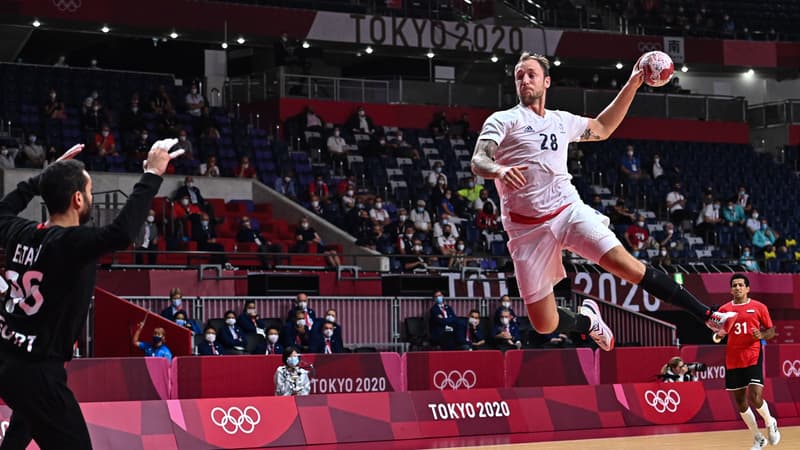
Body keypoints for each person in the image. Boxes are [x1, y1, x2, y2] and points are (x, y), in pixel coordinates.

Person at [470, 52, 736, 353]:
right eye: (519, 75)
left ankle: (708, 315)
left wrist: (633, 84)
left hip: (567, 211)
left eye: (531, 74)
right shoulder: (504, 120)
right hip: (526, 231)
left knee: (627, 266)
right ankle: (589, 322)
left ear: (546, 81)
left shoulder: (561, 121)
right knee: (544, 324)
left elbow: (603, 128)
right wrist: (498, 169)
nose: (524, 80)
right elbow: (479, 159)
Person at [0, 139, 179, 449]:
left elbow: (4, 209)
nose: (93, 198)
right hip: (40, 371)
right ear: (78, 199)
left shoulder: (20, 232)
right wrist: (151, 174)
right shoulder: (71, 244)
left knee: (24, 423)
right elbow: (122, 232)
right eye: (92, 192)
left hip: (8, 359)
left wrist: (41, 179)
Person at [712, 274, 780, 449]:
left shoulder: (759, 307)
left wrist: (763, 335)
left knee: (755, 397)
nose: (737, 288)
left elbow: (771, 330)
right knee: (741, 402)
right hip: (733, 359)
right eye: (734, 285)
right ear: (730, 289)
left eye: (741, 285)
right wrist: (718, 336)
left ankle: (770, 421)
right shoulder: (724, 310)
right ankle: (758, 438)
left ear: (747, 288)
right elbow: (716, 334)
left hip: (753, 355)